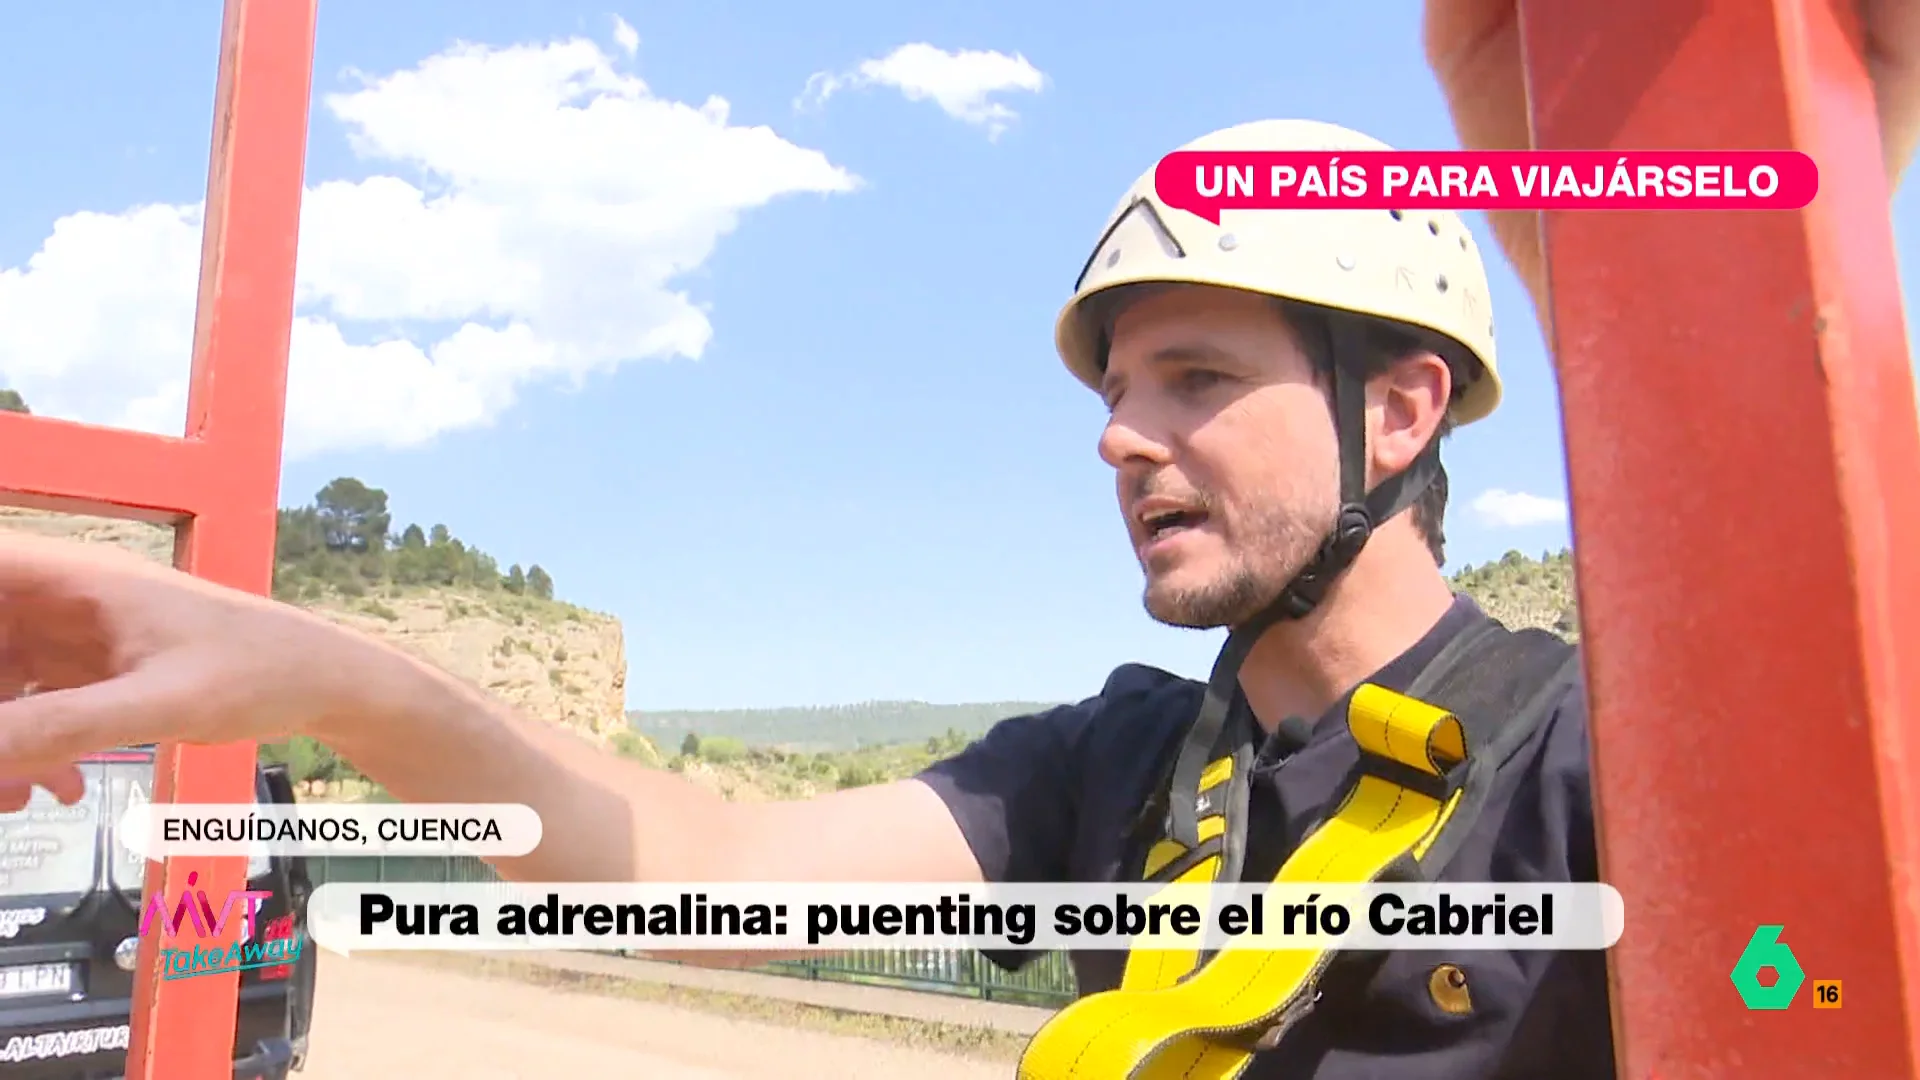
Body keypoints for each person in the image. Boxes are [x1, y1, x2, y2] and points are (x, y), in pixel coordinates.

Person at [3, 4, 1920, 1075]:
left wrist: (1737, 264)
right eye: (1112, 389)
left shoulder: (1608, 764)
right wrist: (336, 670)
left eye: (1193, 376)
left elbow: (1832, 884)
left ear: (1399, 410)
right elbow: (700, 867)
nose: (1118, 437)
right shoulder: (1116, 767)